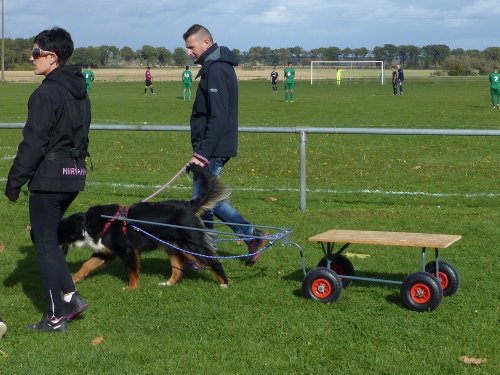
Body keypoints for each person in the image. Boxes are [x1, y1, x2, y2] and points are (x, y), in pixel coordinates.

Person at [5, 27, 90, 332]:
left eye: (36, 53)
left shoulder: (46, 93)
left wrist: (14, 182)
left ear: (52, 57)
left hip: (49, 178)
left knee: (43, 243)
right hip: (74, 175)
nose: (32, 58)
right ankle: (71, 297)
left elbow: (34, 143)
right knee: (50, 241)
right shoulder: (79, 91)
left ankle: (55, 317)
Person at [182, 24, 267, 266]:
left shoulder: (217, 70)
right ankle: (207, 251)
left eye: (191, 46)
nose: (189, 52)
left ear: (206, 43)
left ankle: (246, 237)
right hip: (212, 148)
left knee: (204, 201)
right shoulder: (215, 67)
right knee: (205, 203)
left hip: (213, 149)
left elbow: (218, 116)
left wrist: (203, 153)